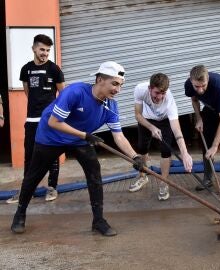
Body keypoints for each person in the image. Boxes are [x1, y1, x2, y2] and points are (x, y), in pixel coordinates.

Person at [10, 61, 147, 237]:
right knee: (34, 175)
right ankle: (20, 214)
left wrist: (135, 157)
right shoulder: (75, 92)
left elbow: (118, 136)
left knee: (94, 174)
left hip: (79, 138)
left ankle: (98, 220)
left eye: (120, 85)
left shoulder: (110, 106)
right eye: (114, 84)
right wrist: (84, 135)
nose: (118, 90)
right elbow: (54, 122)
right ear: (99, 80)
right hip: (51, 136)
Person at [7, 34, 65, 204]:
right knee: (29, 156)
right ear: (33, 48)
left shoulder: (54, 69)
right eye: (42, 49)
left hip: (50, 121)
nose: (45, 53)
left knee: (52, 155)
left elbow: (63, 95)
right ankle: (28, 190)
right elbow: (28, 93)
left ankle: (52, 187)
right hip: (32, 120)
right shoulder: (26, 69)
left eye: (47, 50)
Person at [128, 73, 193, 200]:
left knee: (166, 151)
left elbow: (177, 130)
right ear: (150, 88)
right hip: (145, 119)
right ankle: (143, 176)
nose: (160, 97)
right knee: (141, 148)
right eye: (157, 93)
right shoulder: (140, 90)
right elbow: (137, 115)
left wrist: (184, 153)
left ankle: (164, 182)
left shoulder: (169, 101)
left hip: (164, 121)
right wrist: (151, 127)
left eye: (163, 93)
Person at [184, 65, 220, 195]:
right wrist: (198, 118)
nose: (200, 90)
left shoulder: (219, 87)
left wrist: (215, 146)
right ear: (191, 81)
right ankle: (208, 179)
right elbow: (195, 99)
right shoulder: (189, 85)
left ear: (208, 79)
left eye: (203, 85)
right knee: (205, 142)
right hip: (210, 109)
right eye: (197, 86)